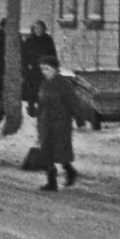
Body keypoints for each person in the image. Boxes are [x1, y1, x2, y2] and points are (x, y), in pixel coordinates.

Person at [33, 51, 80, 191]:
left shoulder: (64, 84)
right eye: (42, 69)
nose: (44, 72)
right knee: (46, 151)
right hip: (45, 122)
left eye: (47, 69)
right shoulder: (44, 85)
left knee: (60, 151)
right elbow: (41, 103)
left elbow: (73, 102)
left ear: (55, 69)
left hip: (61, 122)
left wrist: (79, 118)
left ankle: (70, 171)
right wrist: (38, 117)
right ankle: (51, 181)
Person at [20, 20, 56, 109]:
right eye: (36, 28)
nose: (38, 30)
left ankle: (42, 106)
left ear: (43, 29)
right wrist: (26, 66)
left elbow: (52, 54)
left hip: (45, 68)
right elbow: (23, 54)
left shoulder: (48, 40)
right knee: (32, 88)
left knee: (44, 88)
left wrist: (53, 65)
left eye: (40, 28)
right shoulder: (29, 40)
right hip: (32, 68)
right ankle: (31, 105)